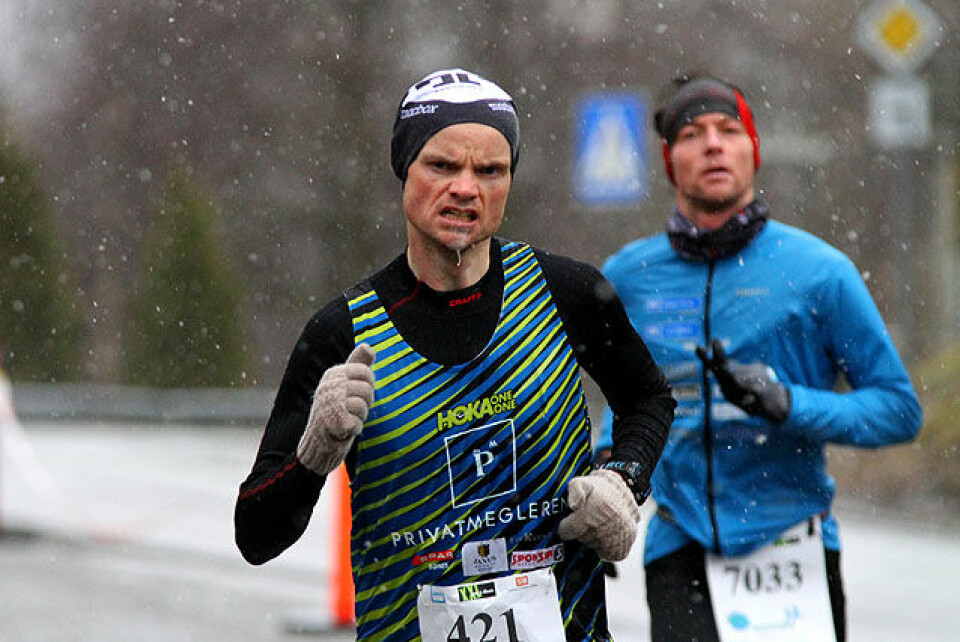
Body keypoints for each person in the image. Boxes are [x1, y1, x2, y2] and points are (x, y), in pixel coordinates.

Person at [235, 68, 676, 642]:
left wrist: (623, 481)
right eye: (442, 166)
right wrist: (312, 455)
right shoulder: (342, 334)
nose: (466, 188)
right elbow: (255, 536)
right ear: (405, 172)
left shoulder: (565, 292)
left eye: (490, 170)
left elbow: (650, 397)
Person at [594, 73, 922, 641]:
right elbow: (621, 408)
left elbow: (898, 409)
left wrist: (788, 402)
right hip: (679, 546)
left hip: (793, 546)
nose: (714, 144)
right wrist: (608, 483)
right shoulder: (628, 276)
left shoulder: (821, 272)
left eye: (730, 129)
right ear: (670, 160)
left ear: (753, 150)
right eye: (693, 133)